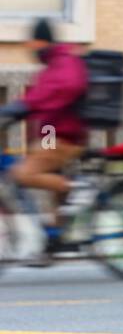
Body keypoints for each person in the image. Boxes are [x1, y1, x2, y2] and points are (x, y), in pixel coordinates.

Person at [0, 18, 90, 257]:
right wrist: (15, 113)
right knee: (39, 167)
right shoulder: (53, 63)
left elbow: (61, 89)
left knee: (22, 174)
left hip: (66, 136)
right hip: (52, 133)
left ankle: (76, 187)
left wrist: (21, 107)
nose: (29, 47)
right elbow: (41, 96)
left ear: (42, 40)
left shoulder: (64, 61)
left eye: (32, 41)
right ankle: (55, 239)